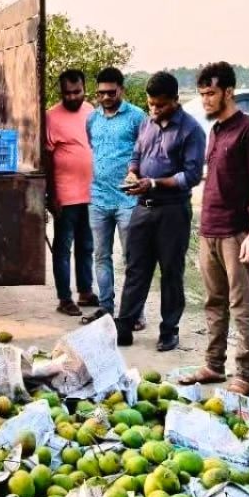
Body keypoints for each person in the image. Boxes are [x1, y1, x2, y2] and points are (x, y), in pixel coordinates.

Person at [184, 62, 249, 396]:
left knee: (242, 304)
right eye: (202, 93)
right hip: (209, 229)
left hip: (237, 232)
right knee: (213, 301)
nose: (205, 100)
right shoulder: (216, 130)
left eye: (211, 93)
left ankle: (244, 375)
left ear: (229, 92)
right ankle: (214, 364)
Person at [114, 72, 206, 352]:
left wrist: (153, 183)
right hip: (142, 208)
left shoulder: (191, 131)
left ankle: (169, 331)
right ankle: (125, 326)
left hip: (173, 211)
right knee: (135, 269)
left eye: (161, 105)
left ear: (175, 101)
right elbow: (136, 155)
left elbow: (190, 176)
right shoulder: (146, 123)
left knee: (171, 272)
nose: (155, 109)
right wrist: (132, 173)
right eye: (151, 104)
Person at [84, 67, 148, 328]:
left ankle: (135, 313)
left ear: (121, 89)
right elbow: (93, 147)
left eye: (111, 92)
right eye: (101, 93)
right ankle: (106, 309)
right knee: (101, 256)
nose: (106, 98)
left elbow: (147, 151)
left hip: (127, 200)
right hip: (98, 198)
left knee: (132, 258)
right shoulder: (92, 119)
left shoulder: (137, 117)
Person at [44, 69, 98, 317]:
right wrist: (51, 195)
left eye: (77, 92)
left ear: (84, 89)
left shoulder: (92, 112)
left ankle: (85, 291)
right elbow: (47, 158)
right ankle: (64, 298)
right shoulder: (51, 117)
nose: (73, 97)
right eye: (67, 93)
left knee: (86, 245)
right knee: (63, 248)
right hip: (65, 196)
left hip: (91, 194)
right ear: (61, 92)